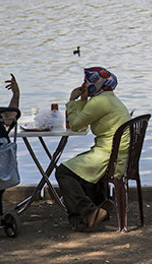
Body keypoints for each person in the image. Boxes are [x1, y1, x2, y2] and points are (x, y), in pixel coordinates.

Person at [55, 66, 131, 232]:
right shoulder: (108, 98)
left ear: (95, 83)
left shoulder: (99, 102)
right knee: (77, 165)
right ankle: (98, 206)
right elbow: (83, 119)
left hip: (110, 156)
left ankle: (90, 213)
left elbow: (75, 125)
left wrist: (72, 100)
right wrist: (83, 100)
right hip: (117, 154)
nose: (83, 84)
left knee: (63, 172)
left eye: (85, 81)